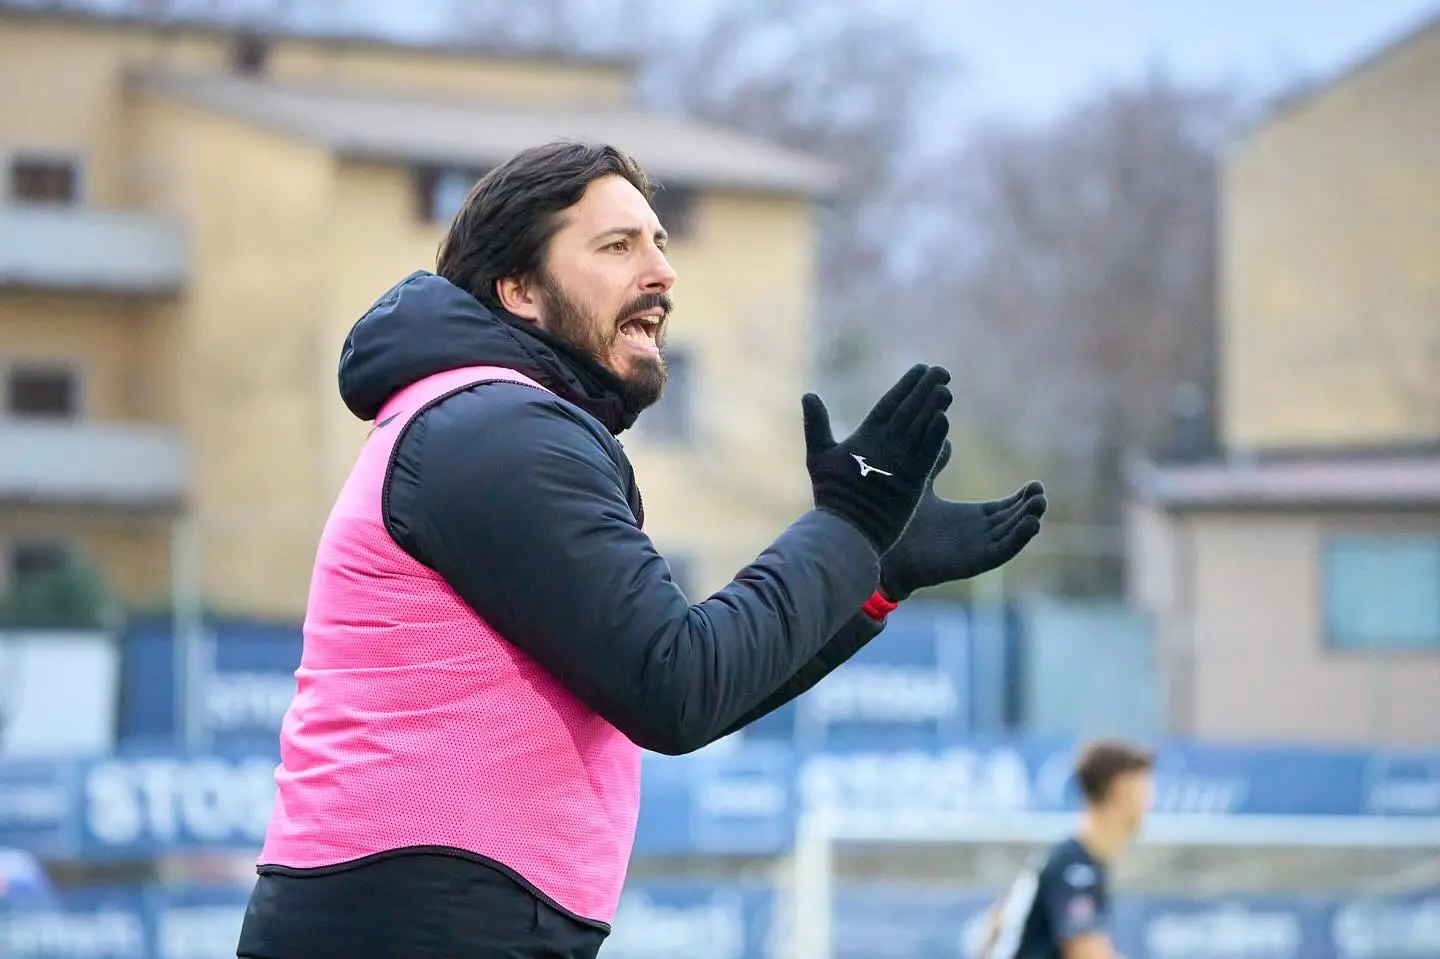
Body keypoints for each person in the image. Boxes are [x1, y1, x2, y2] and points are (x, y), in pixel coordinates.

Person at [236, 140, 1047, 959]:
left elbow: (700, 684)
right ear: (518, 289)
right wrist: (848, 523)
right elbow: (678, 684)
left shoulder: (485, 423)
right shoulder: (495, 429)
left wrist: (876, 569)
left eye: (660, 241)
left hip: (430, 912)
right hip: (416, 918)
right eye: (618, 245)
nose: (661, 271)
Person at [975, 740, 1156, 959]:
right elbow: (1086, 953)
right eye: (1143, 787)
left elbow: (995, 926)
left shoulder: (1066, 859)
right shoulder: (1075, 868)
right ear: (1121, 790)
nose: (1149, 801)